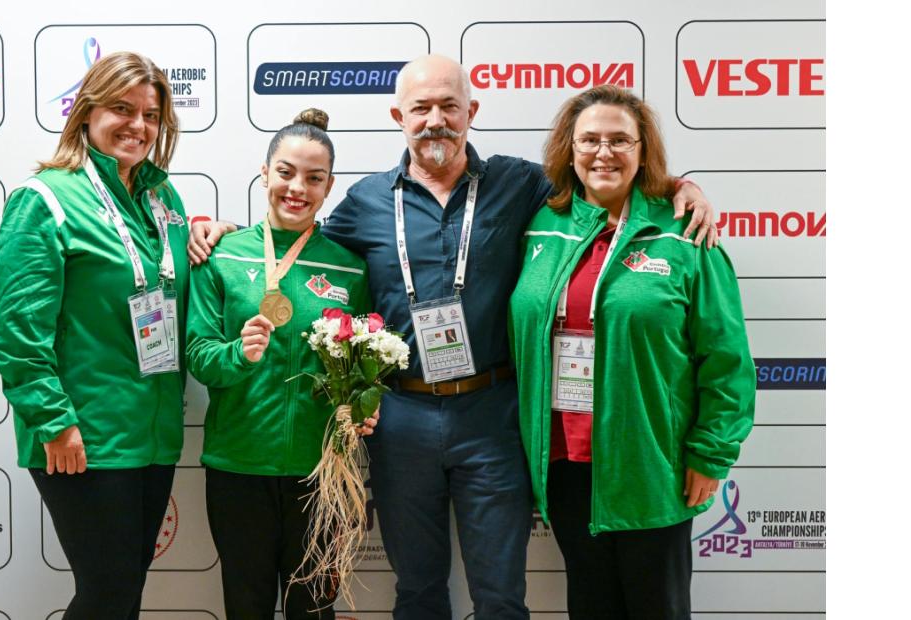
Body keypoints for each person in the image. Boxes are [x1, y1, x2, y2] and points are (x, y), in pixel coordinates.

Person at [189, 54, 717, 619]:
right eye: (421, 108)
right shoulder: (366, 201)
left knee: (498, 593)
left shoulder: (522, 185)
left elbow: (601, 180)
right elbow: (295, 236)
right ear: (398, 115)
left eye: (448, 106)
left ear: (472, 111)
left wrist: (679, 188)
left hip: (492, 414)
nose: (435, 119)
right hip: (401, 417)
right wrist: (218, 230)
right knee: (416, 588)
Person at [0, 51, 225, 619]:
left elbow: (173, 286)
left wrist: (219, 235)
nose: (138, 125)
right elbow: (19, 330)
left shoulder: (162, 198)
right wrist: (54, 421)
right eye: (122, 108)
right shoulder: (45, 199)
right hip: (83, 438)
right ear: (86, 111)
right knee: (108, 596)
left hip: (153, 432)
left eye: (151, 114)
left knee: (121, 596)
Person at [509, 84, 756, 619]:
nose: (603, 152)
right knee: (590, 605)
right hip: (566, 465)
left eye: (620, 141)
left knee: (656, 608)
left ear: (643, 151)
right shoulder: (540, 223)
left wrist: (711, 453)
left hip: (651, 465)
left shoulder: (684, 232)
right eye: (589, 140)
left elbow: (726, 356)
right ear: (568, 149)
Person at [186, 109, 377, 620]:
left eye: (314, 178)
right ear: (264, 173)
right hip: (238, 466)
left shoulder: (349, 266)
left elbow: (359, 363)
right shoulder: (221, 255)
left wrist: (363, 403)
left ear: (330, 185)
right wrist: (237, 354)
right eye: (286, 172)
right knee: (245, 606)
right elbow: (200, 355)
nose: (298, 188)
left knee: (314, 611)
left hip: (322, 474)